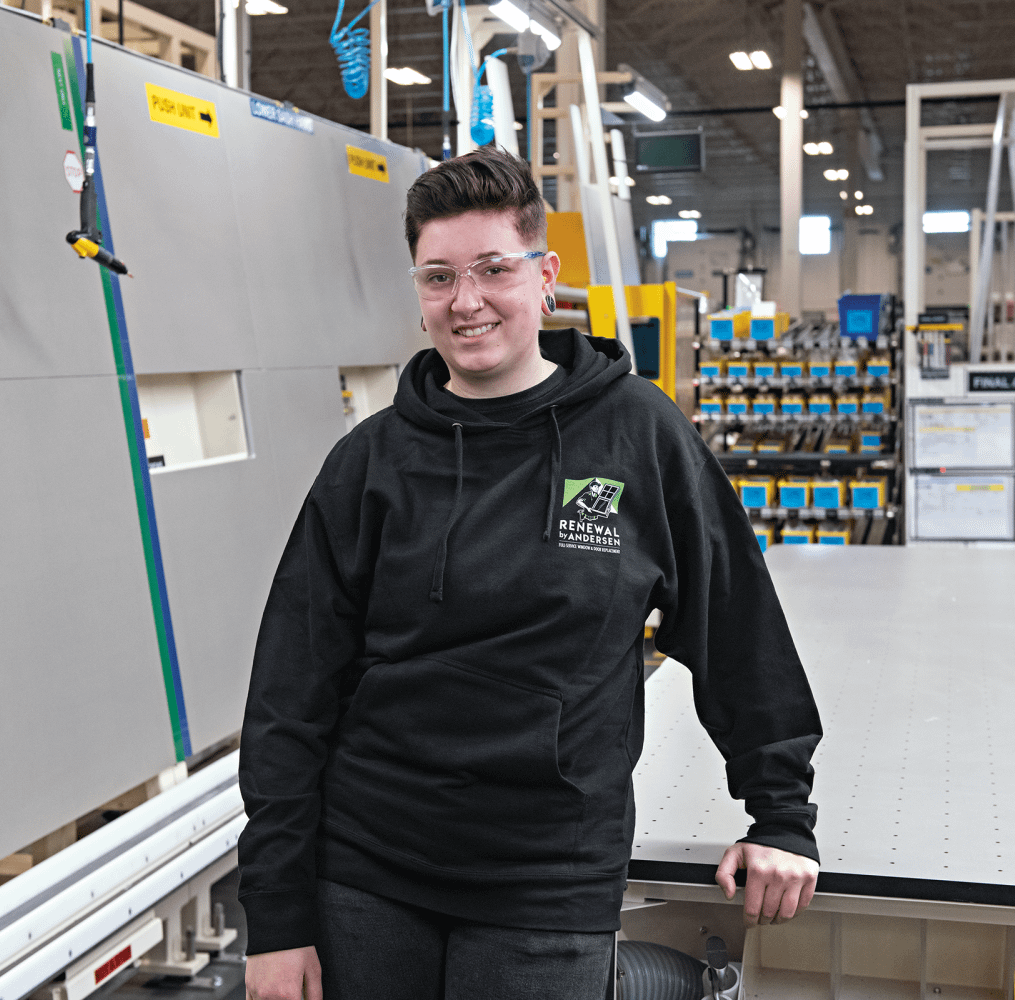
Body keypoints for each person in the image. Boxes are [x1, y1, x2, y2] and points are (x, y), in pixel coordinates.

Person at [237, 146, 822, 1000]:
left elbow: (737, 628)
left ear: (544, 277)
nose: (465, 300)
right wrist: (277, 917)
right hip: (367, 873)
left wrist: (781, 815)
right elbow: (290, 695)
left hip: (547, 880)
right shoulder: (369, 463)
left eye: (492, 269)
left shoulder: (637, 435)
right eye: (439, 277)